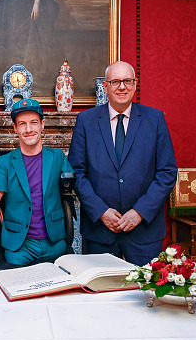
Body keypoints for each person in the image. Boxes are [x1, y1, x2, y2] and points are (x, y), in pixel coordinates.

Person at [68, 61, 177, 266]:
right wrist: (100, 211)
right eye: (116, 81)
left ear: (135, 85)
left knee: (146, 294)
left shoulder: (154, 119)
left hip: (144, 230)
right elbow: (77, 172)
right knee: (101, 294)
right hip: (100, 231)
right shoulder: (86, 120)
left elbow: (167, 173)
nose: (122, 87)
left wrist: (140, 212)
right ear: (106, 86)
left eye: (127, 81)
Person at [0, 98, 74, 266]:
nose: (28, 129)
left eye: (33, 122)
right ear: (15, 128)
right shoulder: (3, 163)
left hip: (55, 242)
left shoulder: (57, 157)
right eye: (22, 124)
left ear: (42, 124)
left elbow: (71, 191)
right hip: (19, 247)